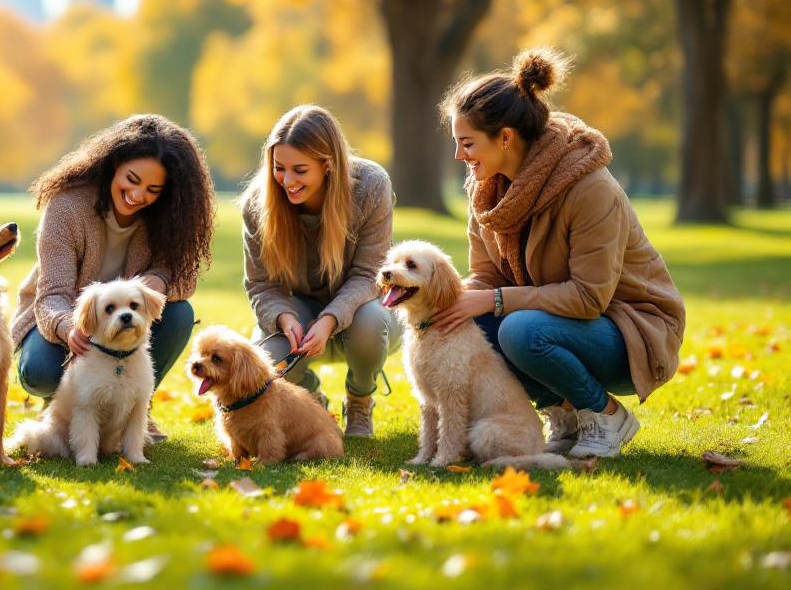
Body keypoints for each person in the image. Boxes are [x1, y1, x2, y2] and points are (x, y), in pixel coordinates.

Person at [432, 49, 685, 458]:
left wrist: (494, 300)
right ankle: (564, 412)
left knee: (517, 330)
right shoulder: (486, 191)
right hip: (556, 322)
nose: (460, 156)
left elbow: (588, 298)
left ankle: (604, 414)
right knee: (472, 320)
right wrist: (450, 302)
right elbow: (484, 278)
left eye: (467, 143)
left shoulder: (588, 188)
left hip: (631, 331)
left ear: (507, 138)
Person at [12, 115, 216, 441]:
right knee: (41, 373)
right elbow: (52, 294)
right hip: (63, 318)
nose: (137, 195)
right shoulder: (67, 206)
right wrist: (67, 326)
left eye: (152, 189)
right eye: (131, 180)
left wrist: (156, 283)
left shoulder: (165, 217)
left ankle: (136, 409)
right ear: (116, 162)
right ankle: (62, 405)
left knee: (179, 313)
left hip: (127, 325)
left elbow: (181, 277)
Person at [242, 105, 398, 438]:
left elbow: (371, 273)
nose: (287, 181)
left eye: (300, 170)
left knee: (370, 324)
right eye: (279, 168)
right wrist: (284, 318)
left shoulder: (370, 186)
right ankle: (312, 400)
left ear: (327, 164)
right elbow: (260, 284)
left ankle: (359, 398)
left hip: (361, 309)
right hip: (298, 312)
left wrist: (330, 319)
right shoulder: (259, 203)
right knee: (266, 362)